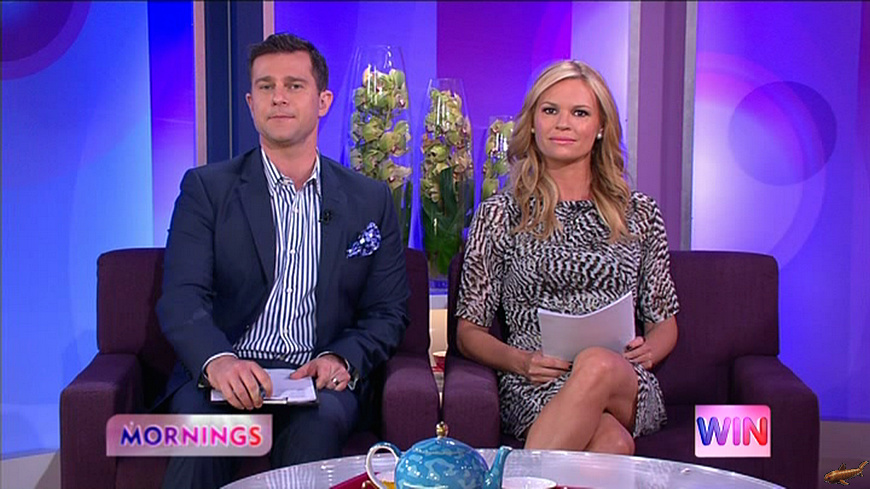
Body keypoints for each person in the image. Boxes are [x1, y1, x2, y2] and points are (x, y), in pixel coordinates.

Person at [156, 33, 409, 489]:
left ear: (323, 101)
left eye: (294, 85)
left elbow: (387, 311)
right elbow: (182, 298)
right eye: (266, 86)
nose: (279, 97)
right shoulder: (206, 189)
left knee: (314, 435)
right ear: (251, 103)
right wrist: (219, 362)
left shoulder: (369, 200)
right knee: (202, 443)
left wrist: (341, 358)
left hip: (315, 379)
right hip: (228, 371)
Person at [455, 60, 679, 455]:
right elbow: (468, 332)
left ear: (601, 127)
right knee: (611, 442)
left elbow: (664, 321)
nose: (563, 124)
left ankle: (519, 479)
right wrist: (521, 361)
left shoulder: (639, 213)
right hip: (536, 382)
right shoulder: (500, 214)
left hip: (622, 378)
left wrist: (650, 350)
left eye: (580, 113)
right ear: (533, 122)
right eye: (550, 110)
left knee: (597, 363)